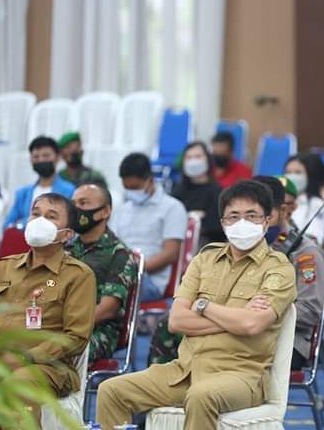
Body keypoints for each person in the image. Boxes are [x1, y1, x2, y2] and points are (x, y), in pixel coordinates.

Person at [96, 180, 296, 430]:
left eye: (252, 215)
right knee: (111, 391)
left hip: (241, 376)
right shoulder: (204, 259)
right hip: (185, 371)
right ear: (223, 223)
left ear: (266, 221)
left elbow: (251, 325)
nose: (242, 223)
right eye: (233, 216)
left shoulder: (279, 268)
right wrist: (236, 317)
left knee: (201, 396)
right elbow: (177, 321)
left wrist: (203, 306)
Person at [0, 193, 96, 422]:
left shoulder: (78, 275)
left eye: (51, 217)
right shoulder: (4, 267)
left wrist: (24, 358)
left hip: (45, 367)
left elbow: (75, 337)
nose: (40, 221)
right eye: (35, 214)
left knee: (18, 384)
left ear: (67, 234)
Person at [258, 175, 324, 370]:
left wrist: (263, 314)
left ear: (283, 211)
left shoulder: (305, 253)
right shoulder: (241, 246)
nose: (259, 220)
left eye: (266, 212)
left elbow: (310, 311)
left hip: (287, 339)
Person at [67, 183, 138, 362]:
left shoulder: (119, 254)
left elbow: (108, 309)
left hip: (97, 331)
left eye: (83, 203)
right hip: (61, 324)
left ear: (105, 211)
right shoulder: (66, 248)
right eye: (73, 204)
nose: (75, 209)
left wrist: (66, 329)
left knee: (55, 350)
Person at [110, 153, 187, 302]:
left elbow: (170, 254)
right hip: (119, 274)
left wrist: (133, 270)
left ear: (149, 180)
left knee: (106, 290)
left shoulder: (172, 208)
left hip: (149, 280)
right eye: (127, 188)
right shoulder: (122, 210)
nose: (131, 192)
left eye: (135, 188)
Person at [4, 136, 76, 227]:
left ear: (57, 157)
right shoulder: (22, 193)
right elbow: (7, 225)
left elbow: (70, 224)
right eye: (36, 157)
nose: (41, 160)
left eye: (46, 156)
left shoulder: (69, 191)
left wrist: (23, 223)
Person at [172, 141, 225, 244]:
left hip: (205, 242)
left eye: (198, 156)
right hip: (178, 239)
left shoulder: (217, 191)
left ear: (208, 160)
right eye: (189, 157)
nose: (193, 161)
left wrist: (191, 219)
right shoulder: (177, 190)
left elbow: (216, 227)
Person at [284, 153, 324, 246]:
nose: (291, 177)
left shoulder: (316, 204)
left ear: (310, 176)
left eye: (298, 172)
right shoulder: (279, 202)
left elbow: (314, 239)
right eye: (288, 172)